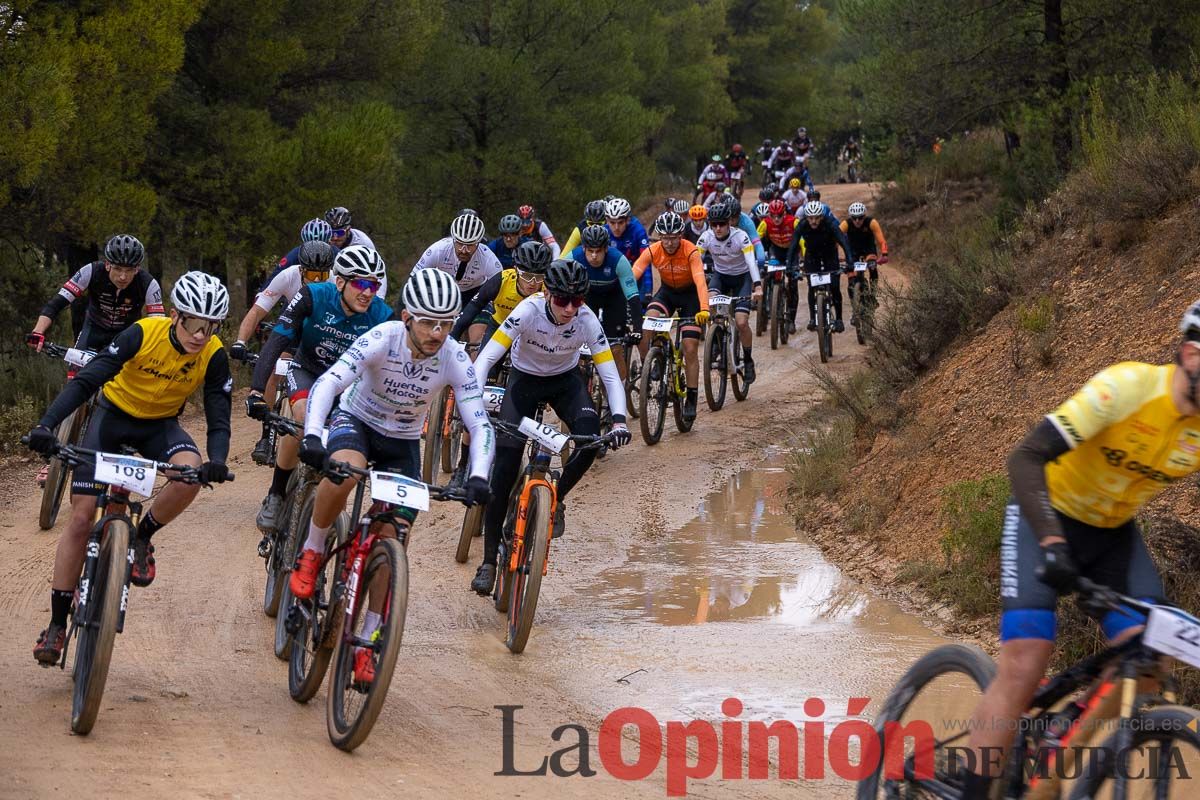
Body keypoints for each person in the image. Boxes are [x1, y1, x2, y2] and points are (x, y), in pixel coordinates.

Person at [958, 304, 1200, 799]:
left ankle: (1058, 742)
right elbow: (1025, 456)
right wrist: (1050, 540)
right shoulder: (1128, 388)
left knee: (1152, 657)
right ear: (1190, 351)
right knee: (1028, 658)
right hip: (1043, 516)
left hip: (1112, 534)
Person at [289, 269, 494, 683]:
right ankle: (311, 549)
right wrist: (312, 435)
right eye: (428, 322)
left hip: (401, 441)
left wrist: (479, 476)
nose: (437, 332)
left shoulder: (454, 356)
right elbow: (328, 384)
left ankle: (368, 637)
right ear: (406, 317)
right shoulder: (382, 337)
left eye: (446, 323)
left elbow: (480, 423)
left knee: (395, 535)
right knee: (348, 471)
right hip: (357, 419)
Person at [28, 272, 234, 665]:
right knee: (81, 516)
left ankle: (141, 538)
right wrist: (46, 424)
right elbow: (88, 380)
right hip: (112, 418)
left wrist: (218, 461)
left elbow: (218, 416)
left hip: (159, 427)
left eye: (210, 328)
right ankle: (56, 625)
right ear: (176, 316)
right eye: (193, 324)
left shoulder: (214, 354)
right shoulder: (143, 333)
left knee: (189, 473)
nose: (200, 336)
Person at [468, 259, 632, 594]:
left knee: (590, 438)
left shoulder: (585, 319)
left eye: (578, 300)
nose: (570, 308)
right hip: (523, 383)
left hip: (564, 383)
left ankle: (555, 500)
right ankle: (487, 561)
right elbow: (486, 359)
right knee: (505, 465)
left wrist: (618, 419)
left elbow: (609, 373)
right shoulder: (527, 311)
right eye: (562, 300)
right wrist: (475, 400)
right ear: (546, 293)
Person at [245, 245, 393, 535]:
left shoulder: (382, 314)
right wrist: (255, 390)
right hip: (308, 371)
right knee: (300, 418)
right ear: (340, 282)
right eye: (361, 283)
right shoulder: (314, 295)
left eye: (374, 285)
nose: (368, 292)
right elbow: (277, 341)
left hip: (348, 388)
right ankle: (276, 493)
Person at [632, 212, 710, 422]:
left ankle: (691, 398)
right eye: (664, 237)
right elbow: (633, 275)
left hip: (690, 297)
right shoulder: (653, 250)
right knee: (647, 322)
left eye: (673, 237)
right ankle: (653, 362)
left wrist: (704, 308)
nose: (668, 242)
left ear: (680, 235)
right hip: (666, 293)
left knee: (690, 347)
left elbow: (700, 281)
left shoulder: (691, 251)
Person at [28, 234, 163, 354]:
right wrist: (38, 332)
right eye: (117, 268)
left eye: (129, 270)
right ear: (107, 264)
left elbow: (158, 325)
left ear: (137, 268)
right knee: (76, 377)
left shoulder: (149, 284)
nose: (123, 276)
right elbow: (57, 303)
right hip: (93, 331)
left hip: (126, 335)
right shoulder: (91, 271)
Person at [697, 201, 762, 383]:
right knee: (709, 305)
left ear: (729, 223)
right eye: (714, 224)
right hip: (721, 276)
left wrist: (757, 286)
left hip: (742, 278)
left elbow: (751, 262)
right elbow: (695, 261)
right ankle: (716, 341)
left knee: (741, 323)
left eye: (722, 224)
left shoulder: (741, 237)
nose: (718, 228)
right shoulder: (706, 237)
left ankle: (748, 360)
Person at [413, 212, 502, 344]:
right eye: (460, 243)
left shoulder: (488, 258)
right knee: (443, 338)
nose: (464, 250)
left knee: (477, 340)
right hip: (446, 292)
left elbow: (502, 290)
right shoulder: (439, 249)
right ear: (453, 239)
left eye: (470, 245)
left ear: (479, 243)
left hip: (476, 294)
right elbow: (414, 280)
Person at [569, 224, 641, 381]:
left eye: (598, 251)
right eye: (590, 251)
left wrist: (637, 328)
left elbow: (633, 297)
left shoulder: (618, 260)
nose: (594, 256)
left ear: (606, 249)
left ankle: (619, 392)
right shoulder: (573, 258)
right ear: (583, 248)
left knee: (614, 349)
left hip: (613, 299)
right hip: (588, 298)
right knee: (580, 350)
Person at [787, 201, 855, 333]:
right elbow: (793, 245)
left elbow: (843, 242)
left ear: (821, 217)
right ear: (806, 218)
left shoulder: (830, 224)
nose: (813, 221)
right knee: (811, 287)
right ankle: (813, 318)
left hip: (830, 255)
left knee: (835, 286)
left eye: (816, 218)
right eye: (810, 218)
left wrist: (850, 261)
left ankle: (839, 319)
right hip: (812, 256)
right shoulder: (802, 225)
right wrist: (789, 265)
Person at [758, 200, 802, 335]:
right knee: (770, 274)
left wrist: (804, 258)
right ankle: (769, 301)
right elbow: (755, 240)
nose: (776, 219)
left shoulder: (794, 221)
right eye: (773, 216)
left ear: (784, 213)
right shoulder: (765, 223)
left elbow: (803, 241)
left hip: (792, 253)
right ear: (769, 214)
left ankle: (791, 320)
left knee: (793, 284)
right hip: (776, 251)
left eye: (779, 216)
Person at [604, 197, 652, 302]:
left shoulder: (638, 230)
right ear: (607, 220)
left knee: (640, 304)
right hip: (614, 273)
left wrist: (648, 291)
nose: (616, 227)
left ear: (627, 220)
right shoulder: (604, 231)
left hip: (635, 270)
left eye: (620, 222)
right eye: (612, 222)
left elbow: (646, 260)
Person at [838, 201, 889, 296]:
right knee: (851, 277)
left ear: (864, 216)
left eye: (860, 217)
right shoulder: (846, 224)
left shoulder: (871, 222)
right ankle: (854, 302)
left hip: (868, 249)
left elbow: (881, 240)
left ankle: (873, 293)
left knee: (872, 267)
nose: (857, 221)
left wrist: (884, 253)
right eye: (854, 218)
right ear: (850, 217)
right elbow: (835, 239)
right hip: (852, 251)